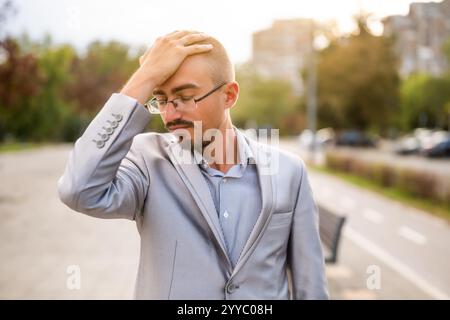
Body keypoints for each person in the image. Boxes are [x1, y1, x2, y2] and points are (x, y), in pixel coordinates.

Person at [57, 30, 329, 300]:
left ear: (229, 95)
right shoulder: (147, 160)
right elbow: (79, 189)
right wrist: (145, 77)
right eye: (161, 100)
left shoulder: (290, 171)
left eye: (185, 97)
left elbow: (311, 288)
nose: (169, 115)